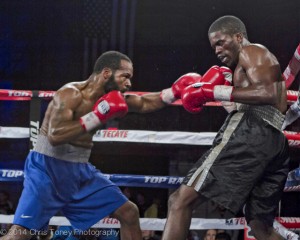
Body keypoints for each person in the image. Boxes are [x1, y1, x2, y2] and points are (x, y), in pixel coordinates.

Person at [1, 51, 201, 240]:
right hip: (47, 170)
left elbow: (144, 103)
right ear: (106, 73)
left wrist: (174, 92)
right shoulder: (70, 93)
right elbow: (55, 135)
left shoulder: (111, 98)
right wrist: (97, 116)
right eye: (125, 76)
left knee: (129, 212)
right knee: (21, 233)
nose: (129, 83)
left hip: (79, 172)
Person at [161, 15, 289, 240]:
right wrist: (224, 95)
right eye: (213, 47)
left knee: (179, 201)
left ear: (239, 37)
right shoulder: (244, 65)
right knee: (260, 227)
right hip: (274, 140)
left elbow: (269, 94)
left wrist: (213, 92)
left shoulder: (252, 51)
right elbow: (266, 101)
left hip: (251, 131)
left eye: (221, 42)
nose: (217, 50)